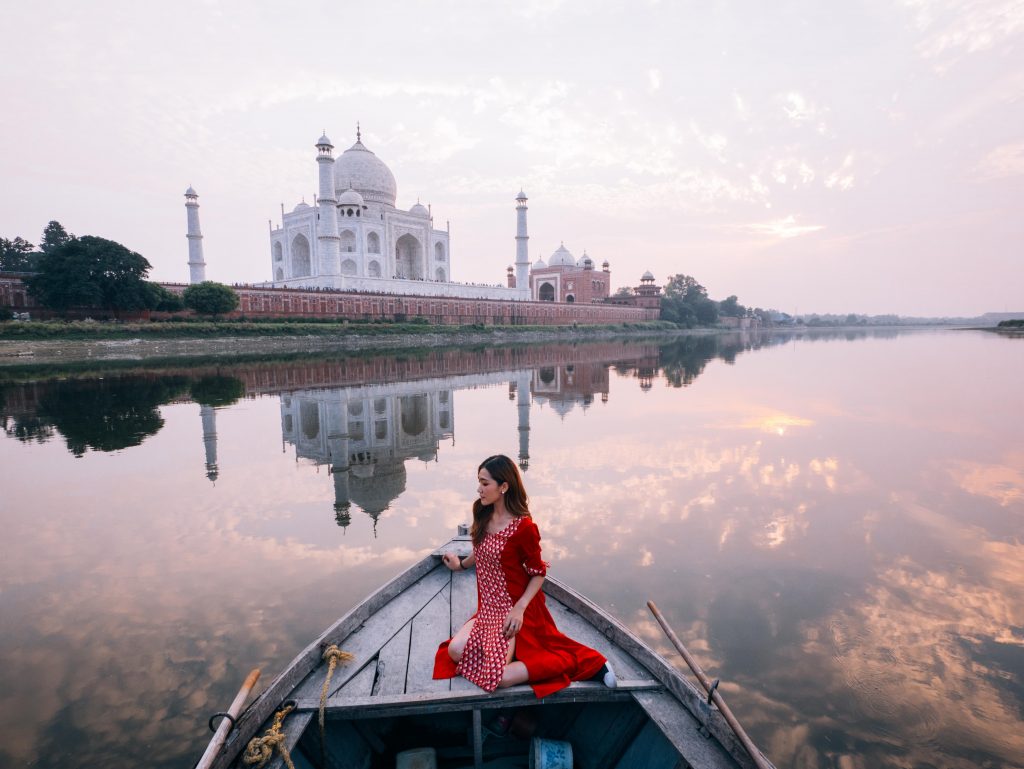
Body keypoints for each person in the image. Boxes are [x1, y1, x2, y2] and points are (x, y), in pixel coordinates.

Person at [433, 454, 616, 698]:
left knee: (499, 679)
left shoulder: (524, 528)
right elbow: (481, 550)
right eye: (479, 482)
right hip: (488, 609)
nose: (479, 489)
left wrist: (518, 609)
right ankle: (507, 651)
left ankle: (583, 663)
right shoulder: (483, 514)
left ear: (504, 486)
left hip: (514, 611)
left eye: (485, 483)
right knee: (455, 651)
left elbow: (539, 573)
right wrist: (460, 565)